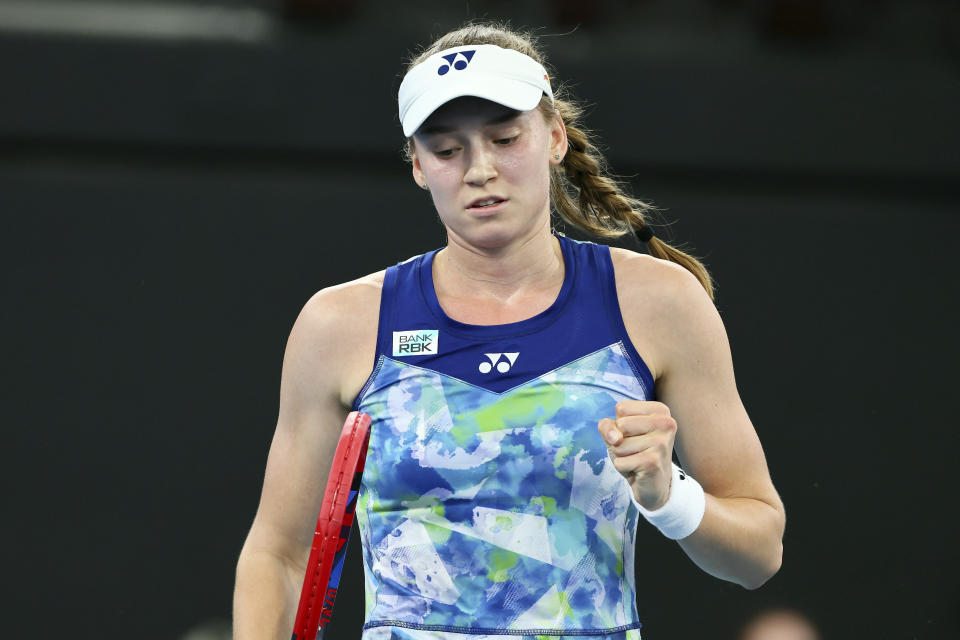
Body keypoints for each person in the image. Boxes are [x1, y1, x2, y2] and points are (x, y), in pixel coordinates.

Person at [233, 22, 785, 640]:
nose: (480, 169)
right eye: (447, 150)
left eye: (504, 137)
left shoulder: (659, 303)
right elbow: (278, 556)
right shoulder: (339, 324)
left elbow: (759, 553)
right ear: (417, 165)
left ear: (554, 137)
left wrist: (668, 495)